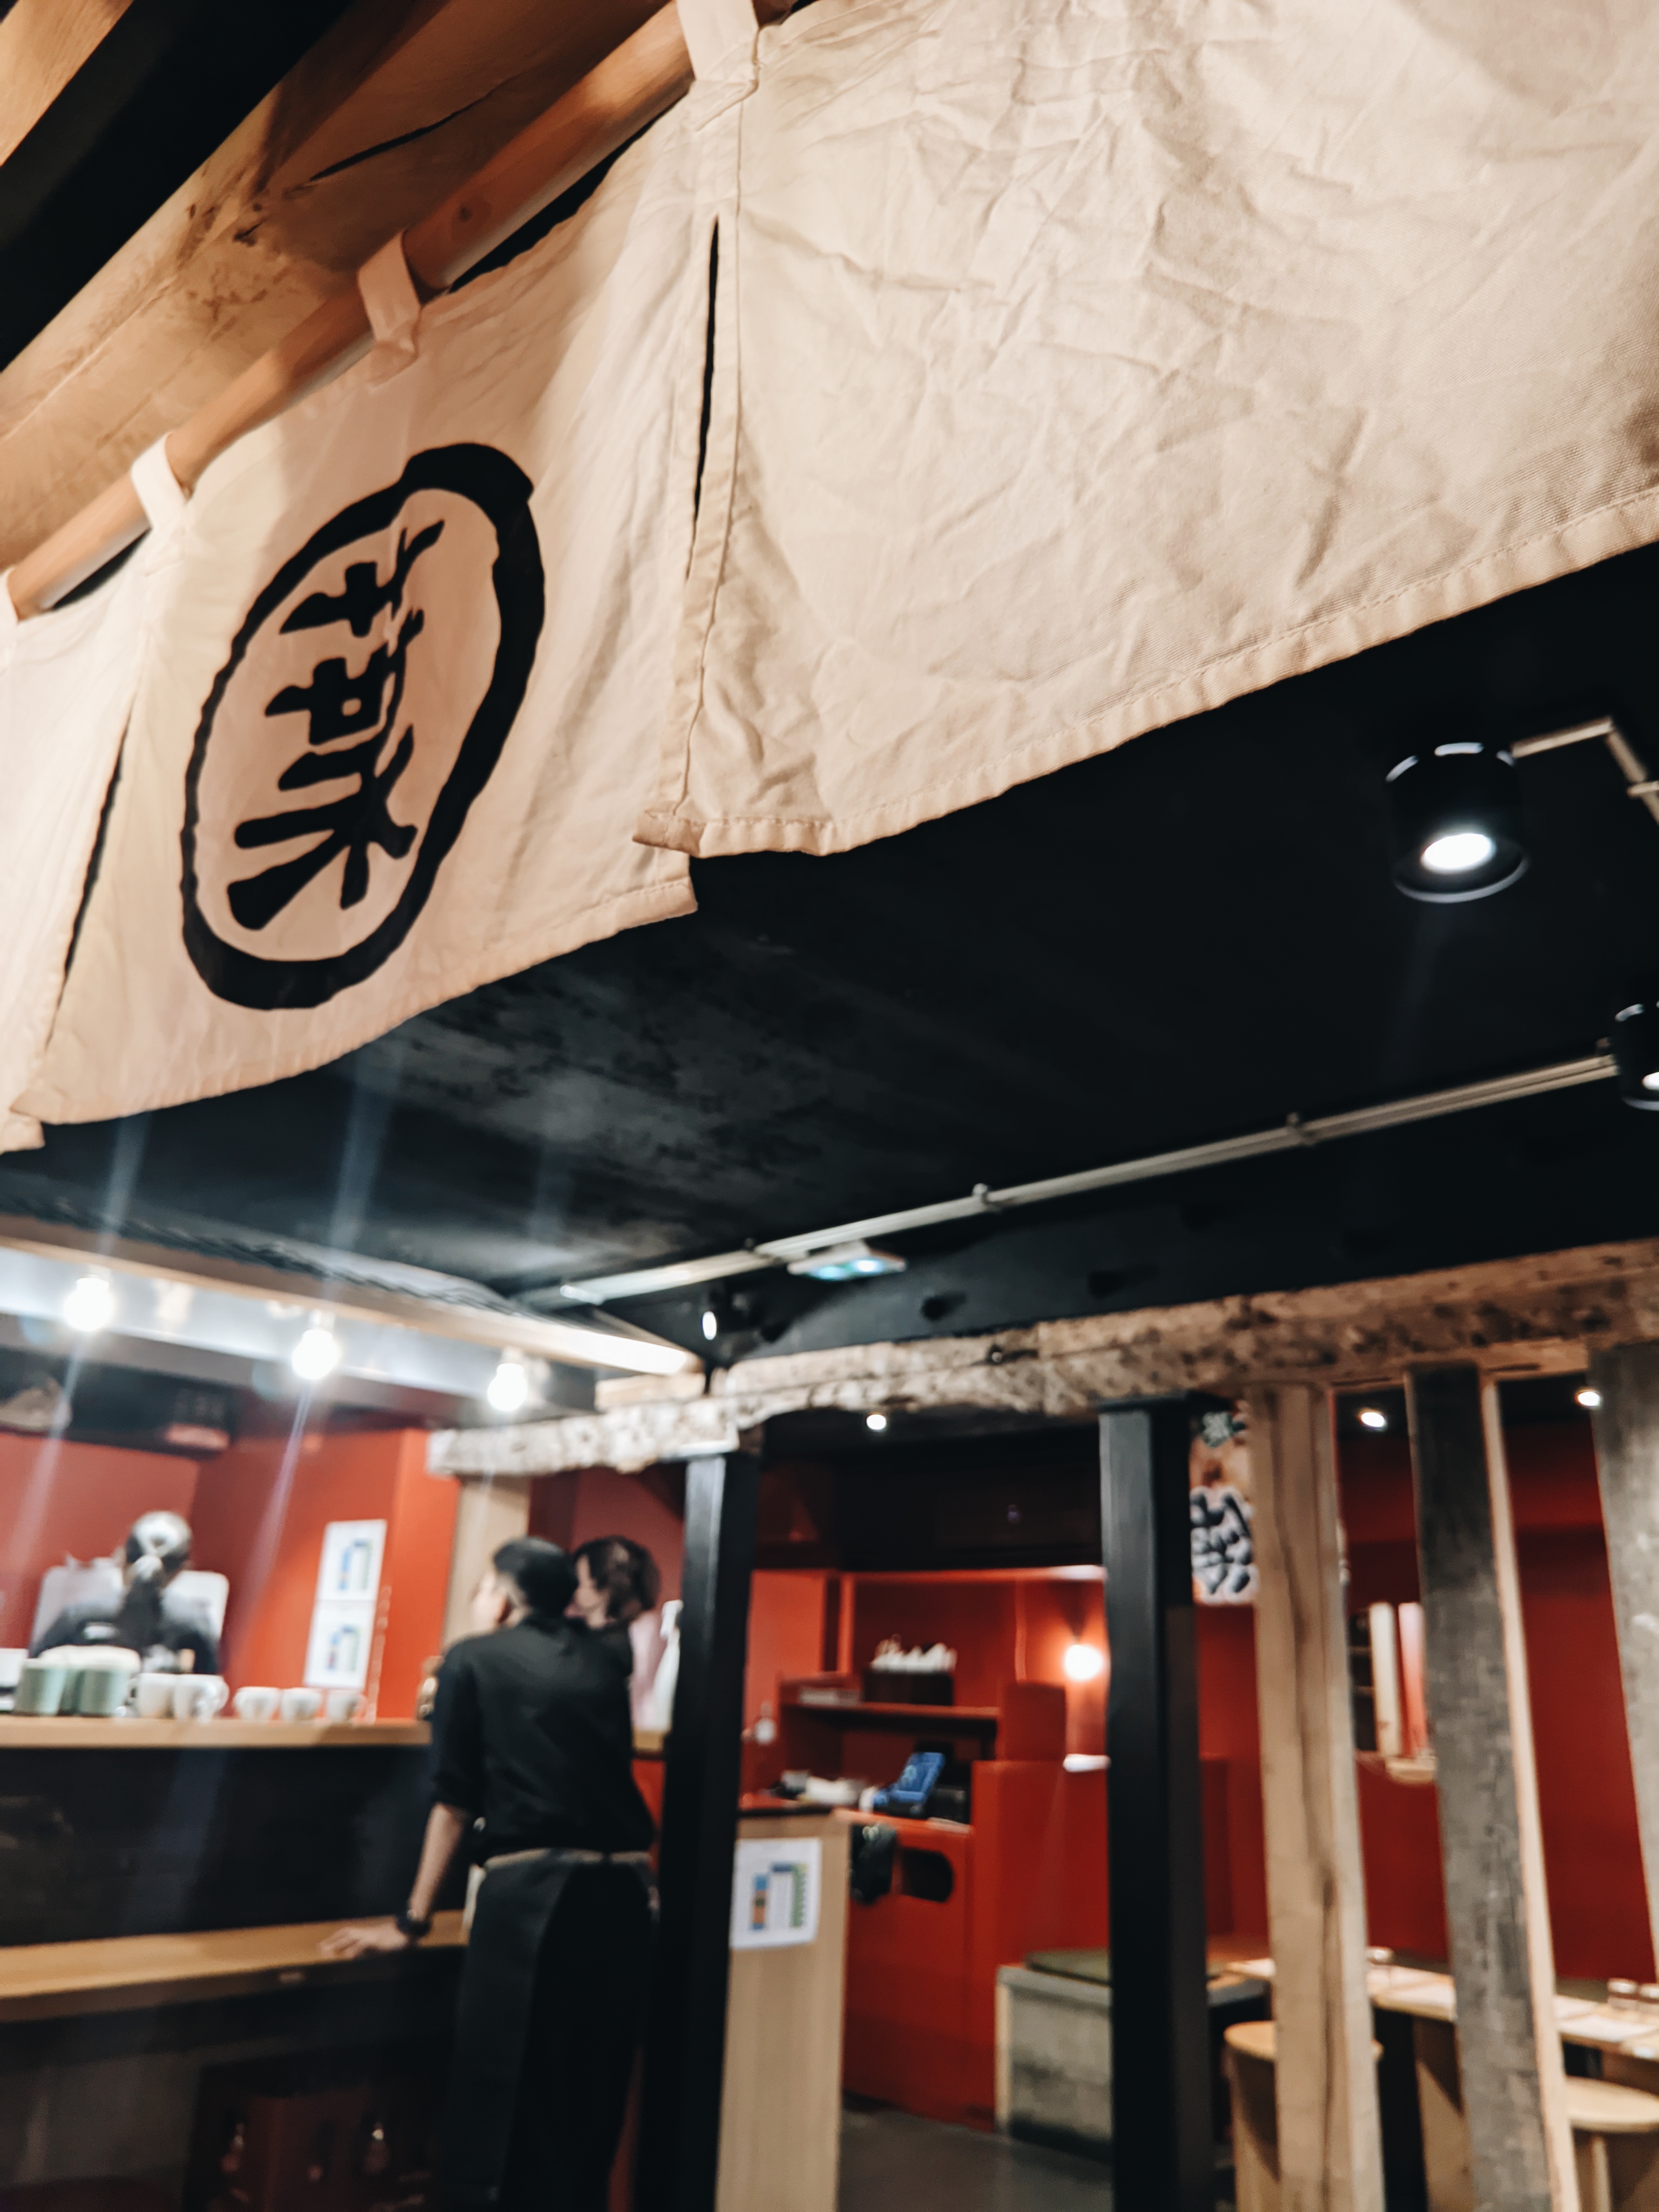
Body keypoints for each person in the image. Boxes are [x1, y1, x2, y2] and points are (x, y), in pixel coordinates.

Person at [322, 1536, 656, 2211]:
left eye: (482, 1586)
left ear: (502, 1598)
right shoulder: (606, 1656)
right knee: (590, 2090)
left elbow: (453, 1803)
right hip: (626, 1895)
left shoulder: (472, 1658)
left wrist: (410, 1920)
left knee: (500, 2093)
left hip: (534, 1898)